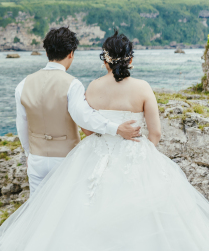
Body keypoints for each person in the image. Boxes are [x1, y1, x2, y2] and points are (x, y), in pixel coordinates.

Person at [0, 31, 209, 251]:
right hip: (135, 152)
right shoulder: (143, 87)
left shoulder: (91, 87)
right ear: (131, 59)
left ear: (105, 60)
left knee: (75, 212)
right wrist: (146, 152)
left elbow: (88, 128)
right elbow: (155, 132)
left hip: (93, 154)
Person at [15, 27, 141, 196]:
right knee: (64, 211)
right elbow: (84, 117)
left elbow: (22, 124)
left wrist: (29, 154)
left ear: (46, 53)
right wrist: (116, 128)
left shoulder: (23, 84)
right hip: (65, 160)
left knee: (37, 211)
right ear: (71, 54)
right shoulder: (72, 84)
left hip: (37, 158)